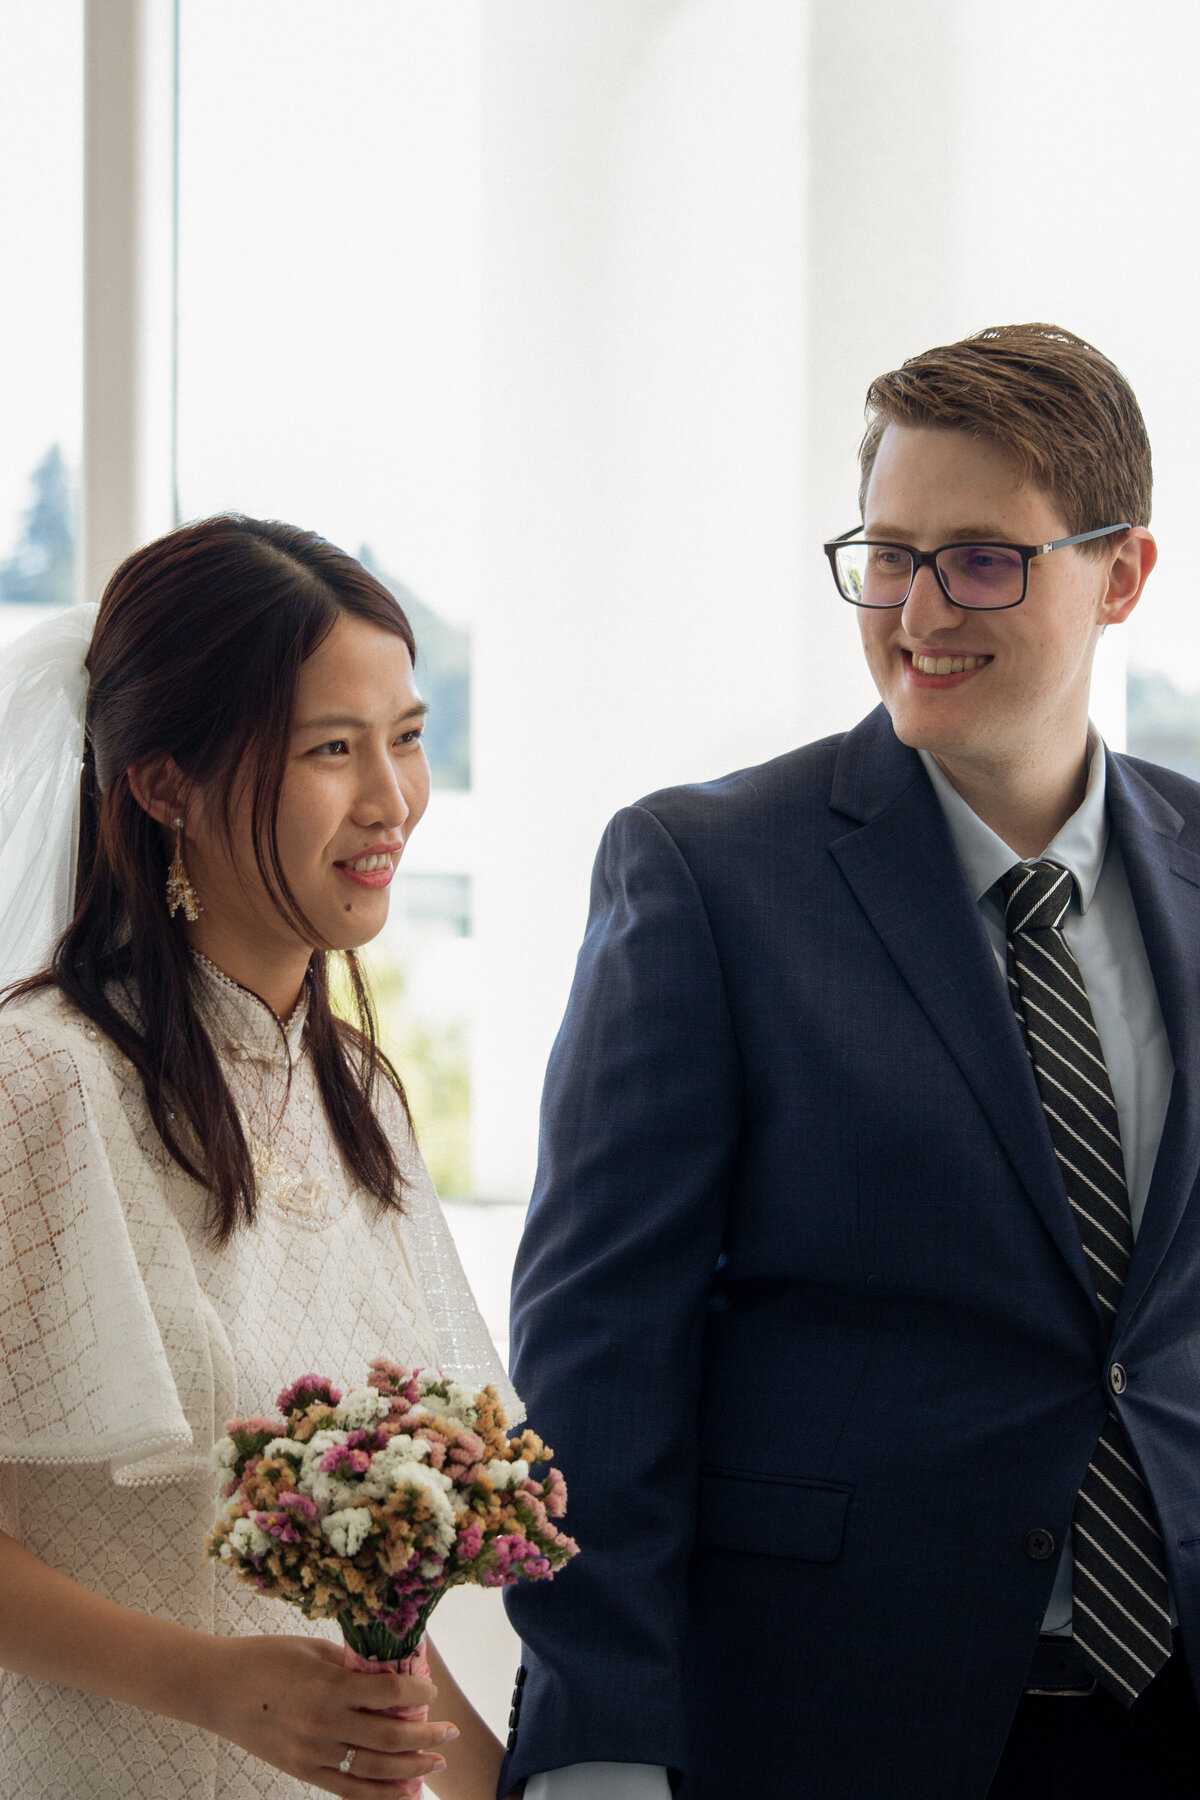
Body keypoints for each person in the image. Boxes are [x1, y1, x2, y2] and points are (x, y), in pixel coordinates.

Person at [499, 324, 1200, 1798]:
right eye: (888, 555)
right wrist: (597, 1744)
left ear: (1122, 573)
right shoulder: (707, 873)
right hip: (836, 1719)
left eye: (983, 560)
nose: (919, 610)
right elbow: (602, 1350)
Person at [0, 516, 518, 1799]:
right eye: (331, 751)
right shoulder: (41, 1084)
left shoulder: (361, 1099)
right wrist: (212, 1683)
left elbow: (365, 1606)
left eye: (407, 737)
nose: (392, 801)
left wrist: (497, 1782)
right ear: (163, 784)